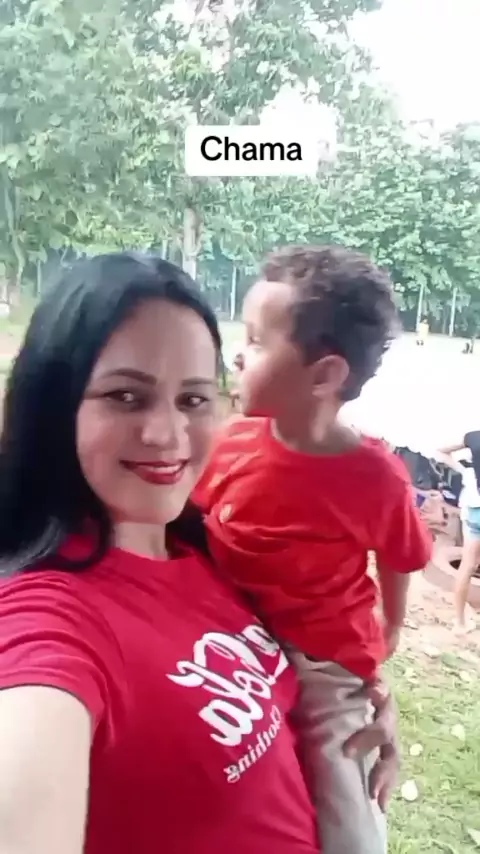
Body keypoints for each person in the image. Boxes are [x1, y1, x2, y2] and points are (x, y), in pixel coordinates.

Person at [0, 252, 398, 854]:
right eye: (126, 396)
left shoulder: (204, 548)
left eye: (192, 400)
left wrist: (358, 699)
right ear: (55, 402)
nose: (167, 435)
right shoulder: (48, 617)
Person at [194, 245, 432, 854]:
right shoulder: (231, 444)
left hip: (325, 664)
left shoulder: (375, 476)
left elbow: (401, 554)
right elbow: (187, 526)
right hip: (237, 642)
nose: (237, 353)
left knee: (344, 803)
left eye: (256, 340)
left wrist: (392, 625)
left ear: (324, 376)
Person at [437, 431, 480, 633]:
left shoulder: (474, 437)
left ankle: (460, 623)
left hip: (475, 510)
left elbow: (442, 451)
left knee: (467, 565)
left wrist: (465, 472)